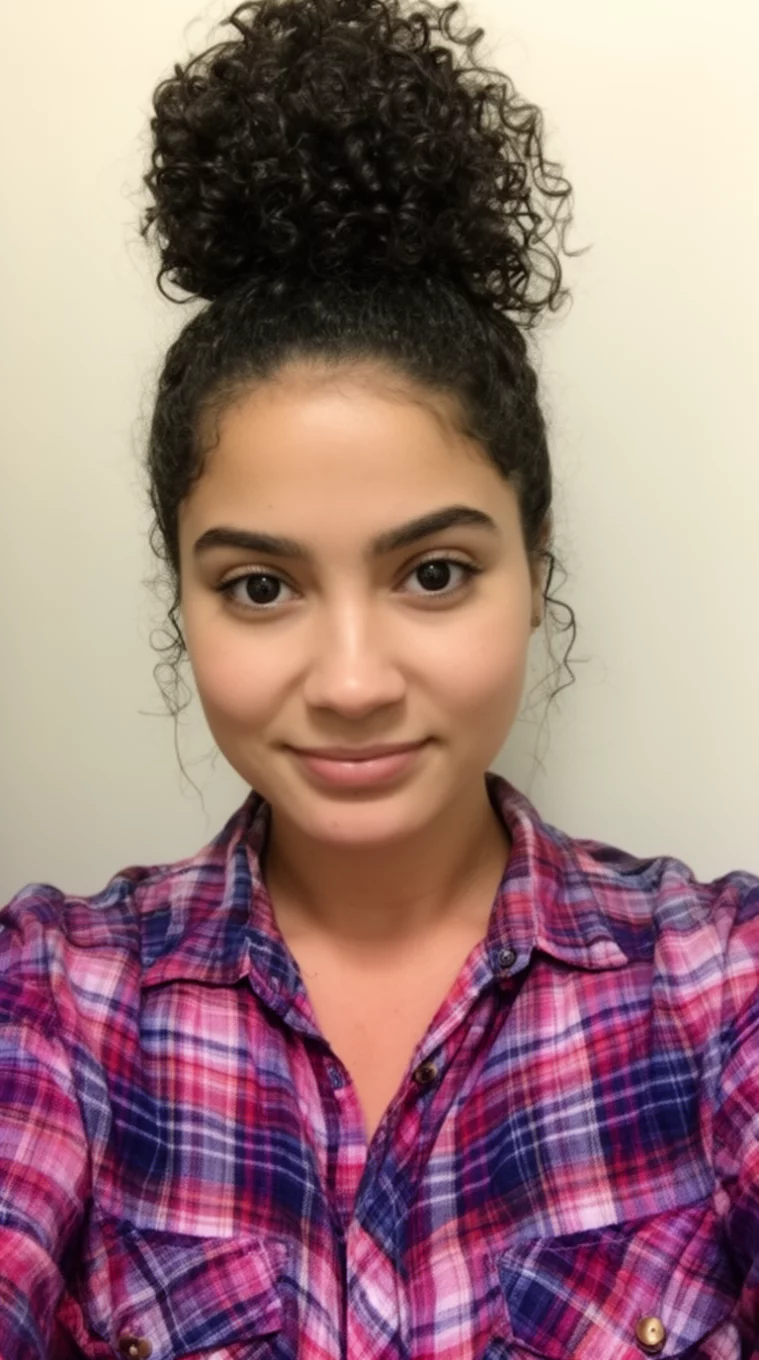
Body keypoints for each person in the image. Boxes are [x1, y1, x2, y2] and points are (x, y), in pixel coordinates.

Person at [0, 0, 757, 1355]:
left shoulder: (718, 989)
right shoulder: (58, 1005)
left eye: (433, 573)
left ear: (533, 564)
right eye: (260, 587)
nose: (351, 682)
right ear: (181, 597)